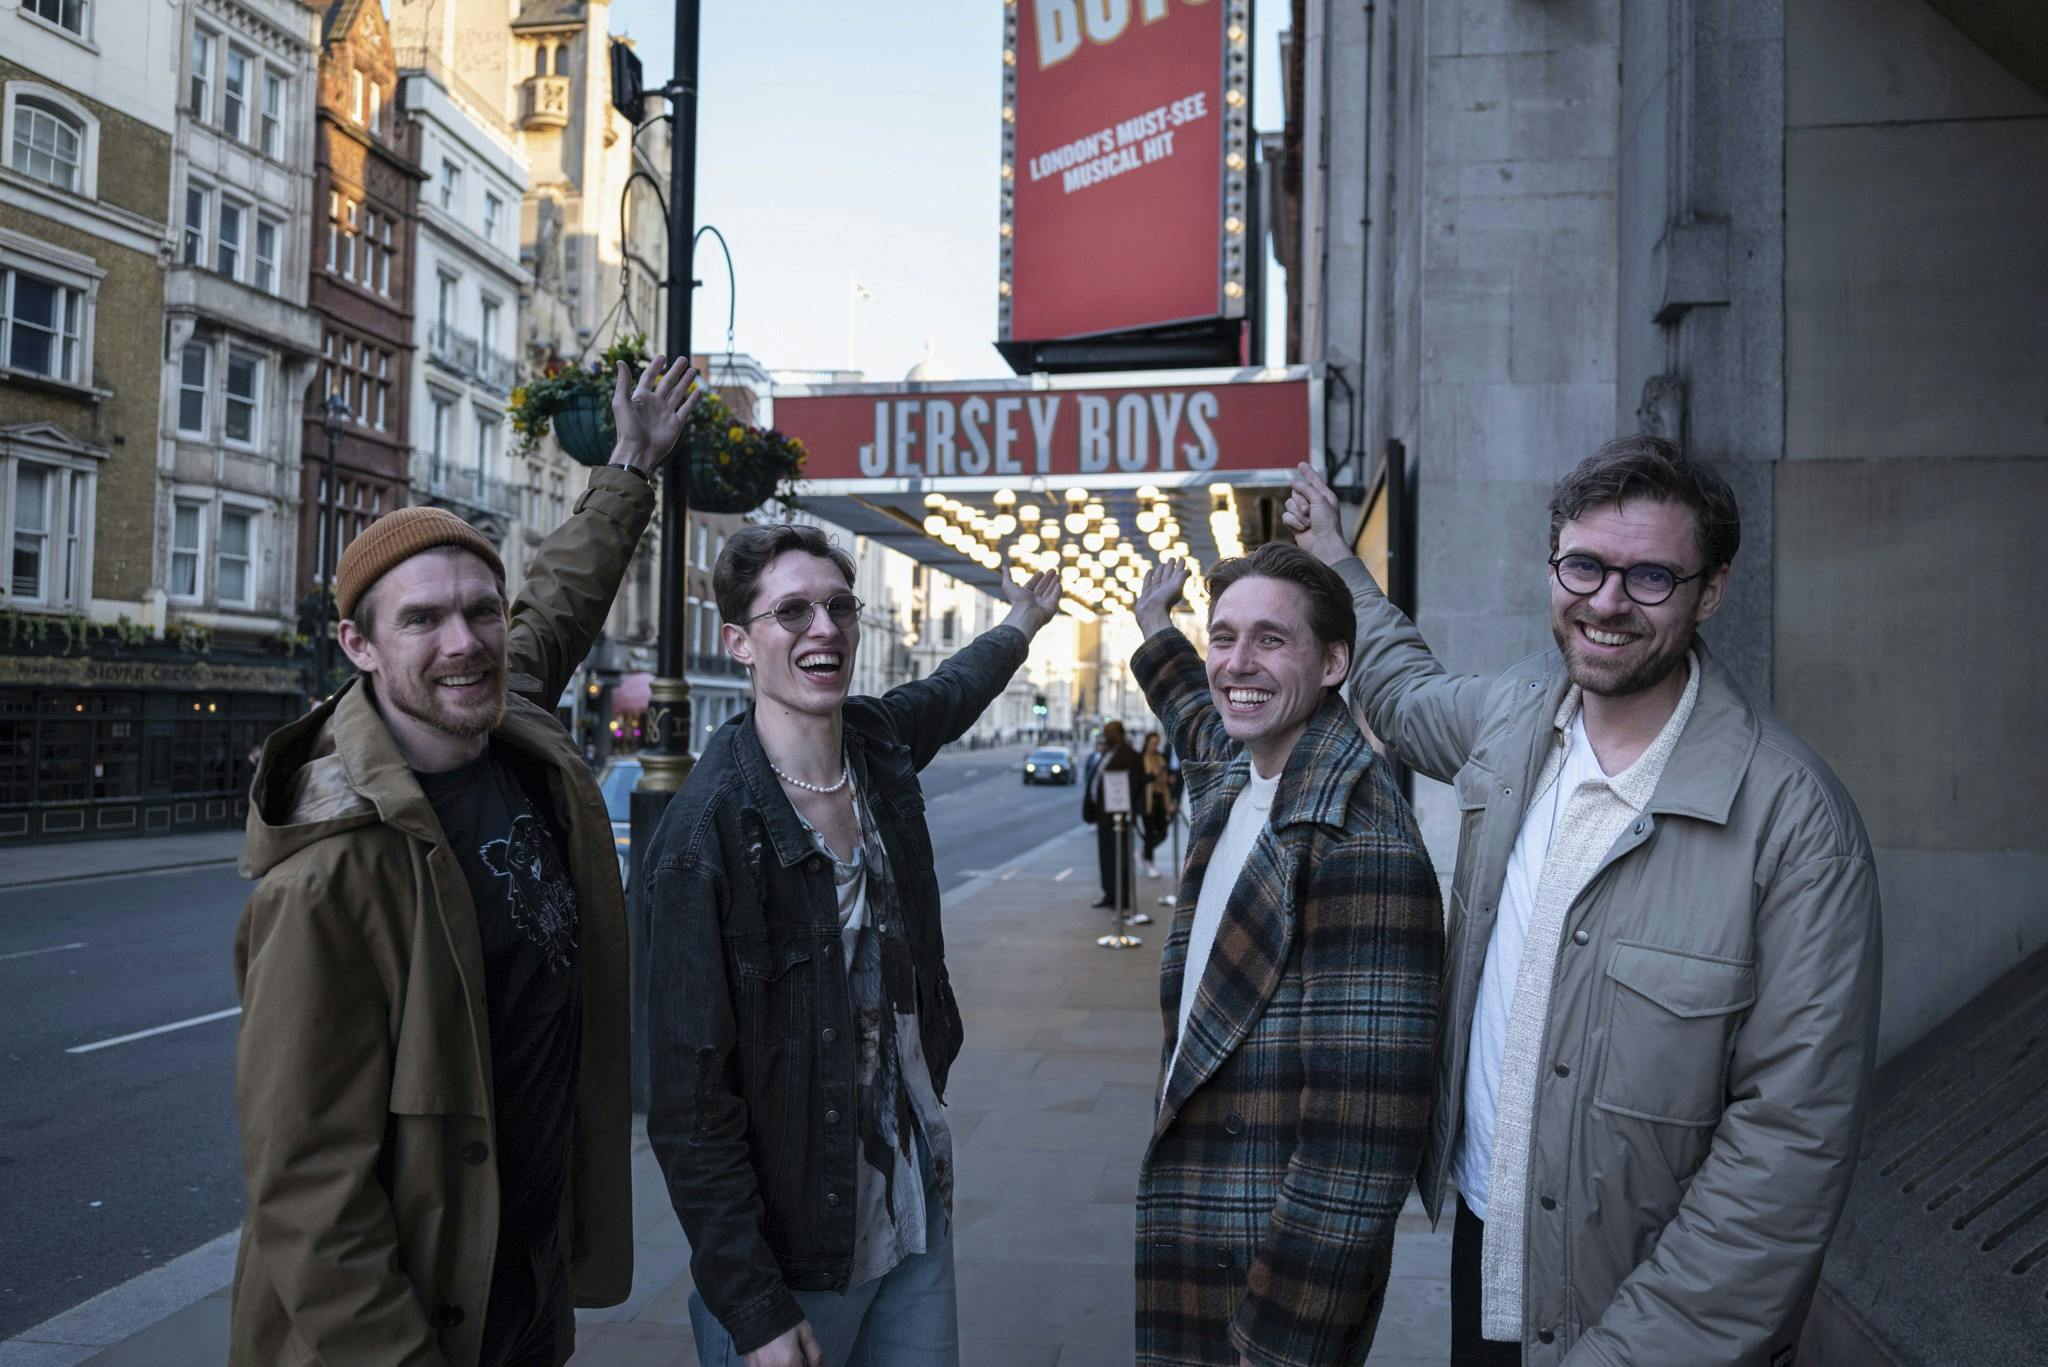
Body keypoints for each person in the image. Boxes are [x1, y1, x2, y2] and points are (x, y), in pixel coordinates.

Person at [1287, 441, 1882, 1366]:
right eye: (1585, 566)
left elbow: (1787, 1153)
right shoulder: (1517, 713)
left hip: (1640, 1308)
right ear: (1553, 565)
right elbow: (1401, 693)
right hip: (1488, 1246)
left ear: (1710, 591)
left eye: (1650, 575)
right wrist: (1335, 557)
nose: (1607, 601)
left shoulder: (1796, 825)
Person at [230, 357, 702, 1367]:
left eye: (480, 610)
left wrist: (630, 465)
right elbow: (308, 1186)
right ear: (358, 644)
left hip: (521, 1290)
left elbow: (561, 597)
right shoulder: (327, 873)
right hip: (407, 1327)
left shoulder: (512, 725)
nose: (466, 641)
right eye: (422, 619)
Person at [642, 529, 1063, 1367]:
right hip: (798, 1252)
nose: (822, 628)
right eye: (790, 611)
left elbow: (953, 688)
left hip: (912, 1208)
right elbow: (688, 1105)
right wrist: (754, 1306)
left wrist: (1023, 620)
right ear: (740, 641)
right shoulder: (706, 836)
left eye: (839, 606)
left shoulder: (875, 745)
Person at [1127, 546, 1442, 1367]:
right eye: (1223, 636)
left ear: (1334, 661)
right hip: (1207, 1230)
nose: (1237, 662)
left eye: (1270, 639)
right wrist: (1155, 621)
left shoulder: (1360, 839)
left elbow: (1361, 1144)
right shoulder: (1240, 774)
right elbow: (1198, 711)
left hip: (1265, 1280)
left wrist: (1276, 1343)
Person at [1081, 719, 1146, 910]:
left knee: (1120, 858)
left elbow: (1135, 783)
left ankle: (1121, 898)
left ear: (1118, 734)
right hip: (1102, 815)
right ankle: (1109, 893)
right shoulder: (1107, 753)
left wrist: (1125, 809)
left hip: (1117, 816)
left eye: (1108, 732)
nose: (1105, 736)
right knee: (1106, 856)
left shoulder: (1130, 755)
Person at [1138, 730, 1174, 878]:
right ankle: (1149, 861)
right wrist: (1152, 774)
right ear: (1147, 743)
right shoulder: (1141, 759)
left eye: (1156, 743)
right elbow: (1139, 780)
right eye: (1152, 743)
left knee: (1163, 832)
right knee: (1149, 831)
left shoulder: (1160, 757)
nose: (1155, 746)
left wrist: (1168, 779)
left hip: (1161, 797)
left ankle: (1144, 851)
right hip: (1148, 800)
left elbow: (1167, 775)